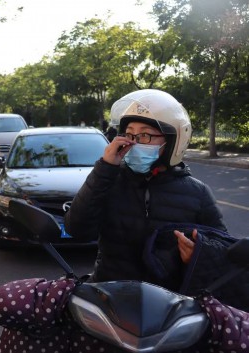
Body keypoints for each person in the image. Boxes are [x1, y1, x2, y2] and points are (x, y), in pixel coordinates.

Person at [65, 89, 227, 284]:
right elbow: (77, 228)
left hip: (171, 304)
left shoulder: (197, 193)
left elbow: (223, 249)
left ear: (173, 142)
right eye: (130, 134)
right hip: (109, 295)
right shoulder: (109, 181)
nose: (134, 142)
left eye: (145, 136)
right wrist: (105, 168)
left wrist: (199, 255)